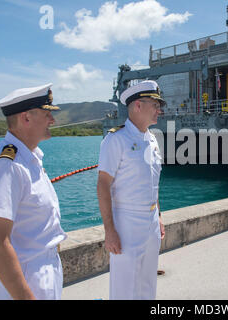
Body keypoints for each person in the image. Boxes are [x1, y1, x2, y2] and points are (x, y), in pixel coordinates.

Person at [0, 83, 67, 300]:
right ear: (26, 118)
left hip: (43, 270)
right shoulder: (6, 165)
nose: (52, 121)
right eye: (47, 114)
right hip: (24, 279)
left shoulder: (29, 159)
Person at [97, 80, 166, 300]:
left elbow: (151, 184)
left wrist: (160, 216)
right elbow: (103, 185)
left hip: (151, 221)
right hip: (127, 222)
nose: (159, 110)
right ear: (137, 105)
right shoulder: (116, 139)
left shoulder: (152, 139)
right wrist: (109, 230)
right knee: (125, 288)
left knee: (147, 284)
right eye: (154, 104)